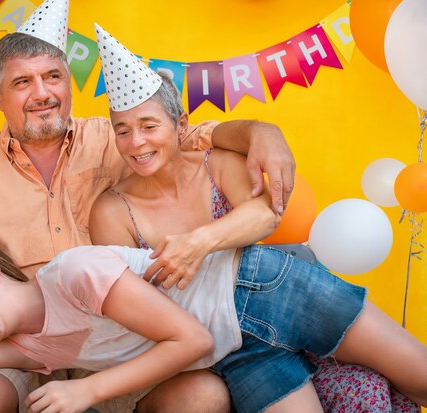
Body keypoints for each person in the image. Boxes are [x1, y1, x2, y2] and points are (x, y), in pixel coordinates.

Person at [0, 1, 297, 411]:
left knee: (201, 396)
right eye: (22, 82)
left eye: (53, 77)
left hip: (120, 339)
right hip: (19, 345)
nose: (42, 93)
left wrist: (262, 132)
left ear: (68, 83)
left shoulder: (120, 138)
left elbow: (191, 135)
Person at [87, 24, 423, 412]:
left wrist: (196, 244)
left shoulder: (218, 163)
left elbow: (265, 215)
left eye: (149, 126)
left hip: (288, 289)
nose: (136, 143)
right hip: (233, 342)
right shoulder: (111, 211)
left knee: (415, 377)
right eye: (123, 131)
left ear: (180, 127)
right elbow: (135, 310)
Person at [0, 232, 427, 413]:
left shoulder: (75, 272)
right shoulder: (32, 350)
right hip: (237, 353)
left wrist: (87, 393)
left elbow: (187, 337)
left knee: (419, 375)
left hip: (263, 289)